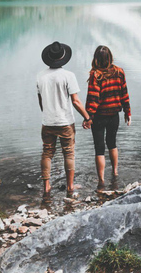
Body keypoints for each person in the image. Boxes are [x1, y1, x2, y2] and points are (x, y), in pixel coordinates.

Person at [37, 41, 91, 199]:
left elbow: (41, 101)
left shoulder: (40, 76)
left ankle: (46, 187)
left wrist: (47, 113)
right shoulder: (68, 76)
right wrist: (87, 117)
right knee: (69, 154)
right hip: (65, 121)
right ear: (62, 57)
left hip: (47, 121)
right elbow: (76, 101)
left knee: (47, 153)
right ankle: (70, 186)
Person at [84, 45, 131, 192]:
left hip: (99, 116)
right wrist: (127, 112)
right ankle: (115, 172)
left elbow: (93, 98)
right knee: (112, 143)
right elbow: (124, 93)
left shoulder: (95, 75)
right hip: (114, 115)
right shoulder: (119, 72)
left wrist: (88, 117)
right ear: (110, 57)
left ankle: (101, 181)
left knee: (99, 148)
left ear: (96, 59)